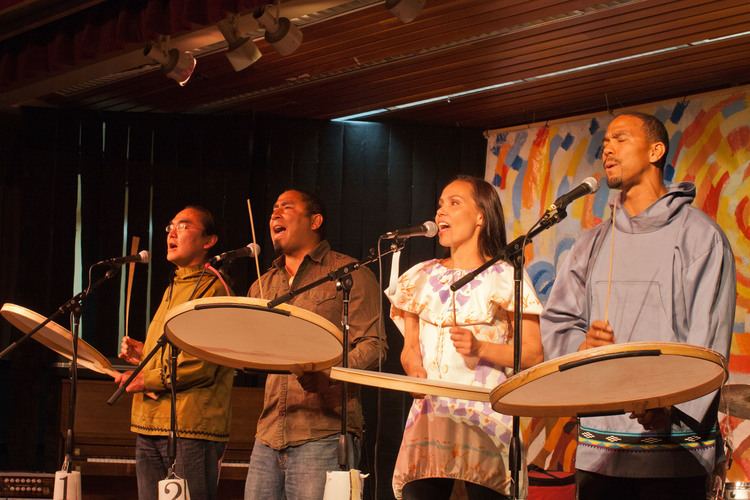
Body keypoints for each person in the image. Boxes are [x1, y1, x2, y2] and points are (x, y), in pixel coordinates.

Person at [541, 112, 736, 499]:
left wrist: (668, 404)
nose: (607, 149)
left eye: (621, 138)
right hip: (601, 452)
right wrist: (582, 348)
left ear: (656, 150)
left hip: (673, 450)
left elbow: (707, 341)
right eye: (604, 143)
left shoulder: (701, 237)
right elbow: (559, 321)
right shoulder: (590, 244)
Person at [386, 176, 544, 500]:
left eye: (454, 203)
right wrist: (415, 373)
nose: (442, 211)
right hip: (432, 419)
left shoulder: (505, 276)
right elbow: (410, 350)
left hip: (485, 421)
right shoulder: (421, 276)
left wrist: (481, 348)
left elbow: (532, 354)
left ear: (481, 216)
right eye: (440, 203)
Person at [243, 189, 386, 500]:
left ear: (315, 220)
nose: (275, 214)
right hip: (267, 435)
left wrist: (330, 374)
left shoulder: (349, 273)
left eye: (287, 207)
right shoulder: (262, 284)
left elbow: (374, 347)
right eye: (273, 208)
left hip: (323, 433)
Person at [116, 205, 234, 500]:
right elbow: (173, 351)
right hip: (150, 422)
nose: (172, 232)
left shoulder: (214, 289)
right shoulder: (174, 285)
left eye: (183, 226)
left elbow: (201, 363)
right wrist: (143, 353)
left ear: (208, 241)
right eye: (170, 226)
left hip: (189, 427)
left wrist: (146, 379)